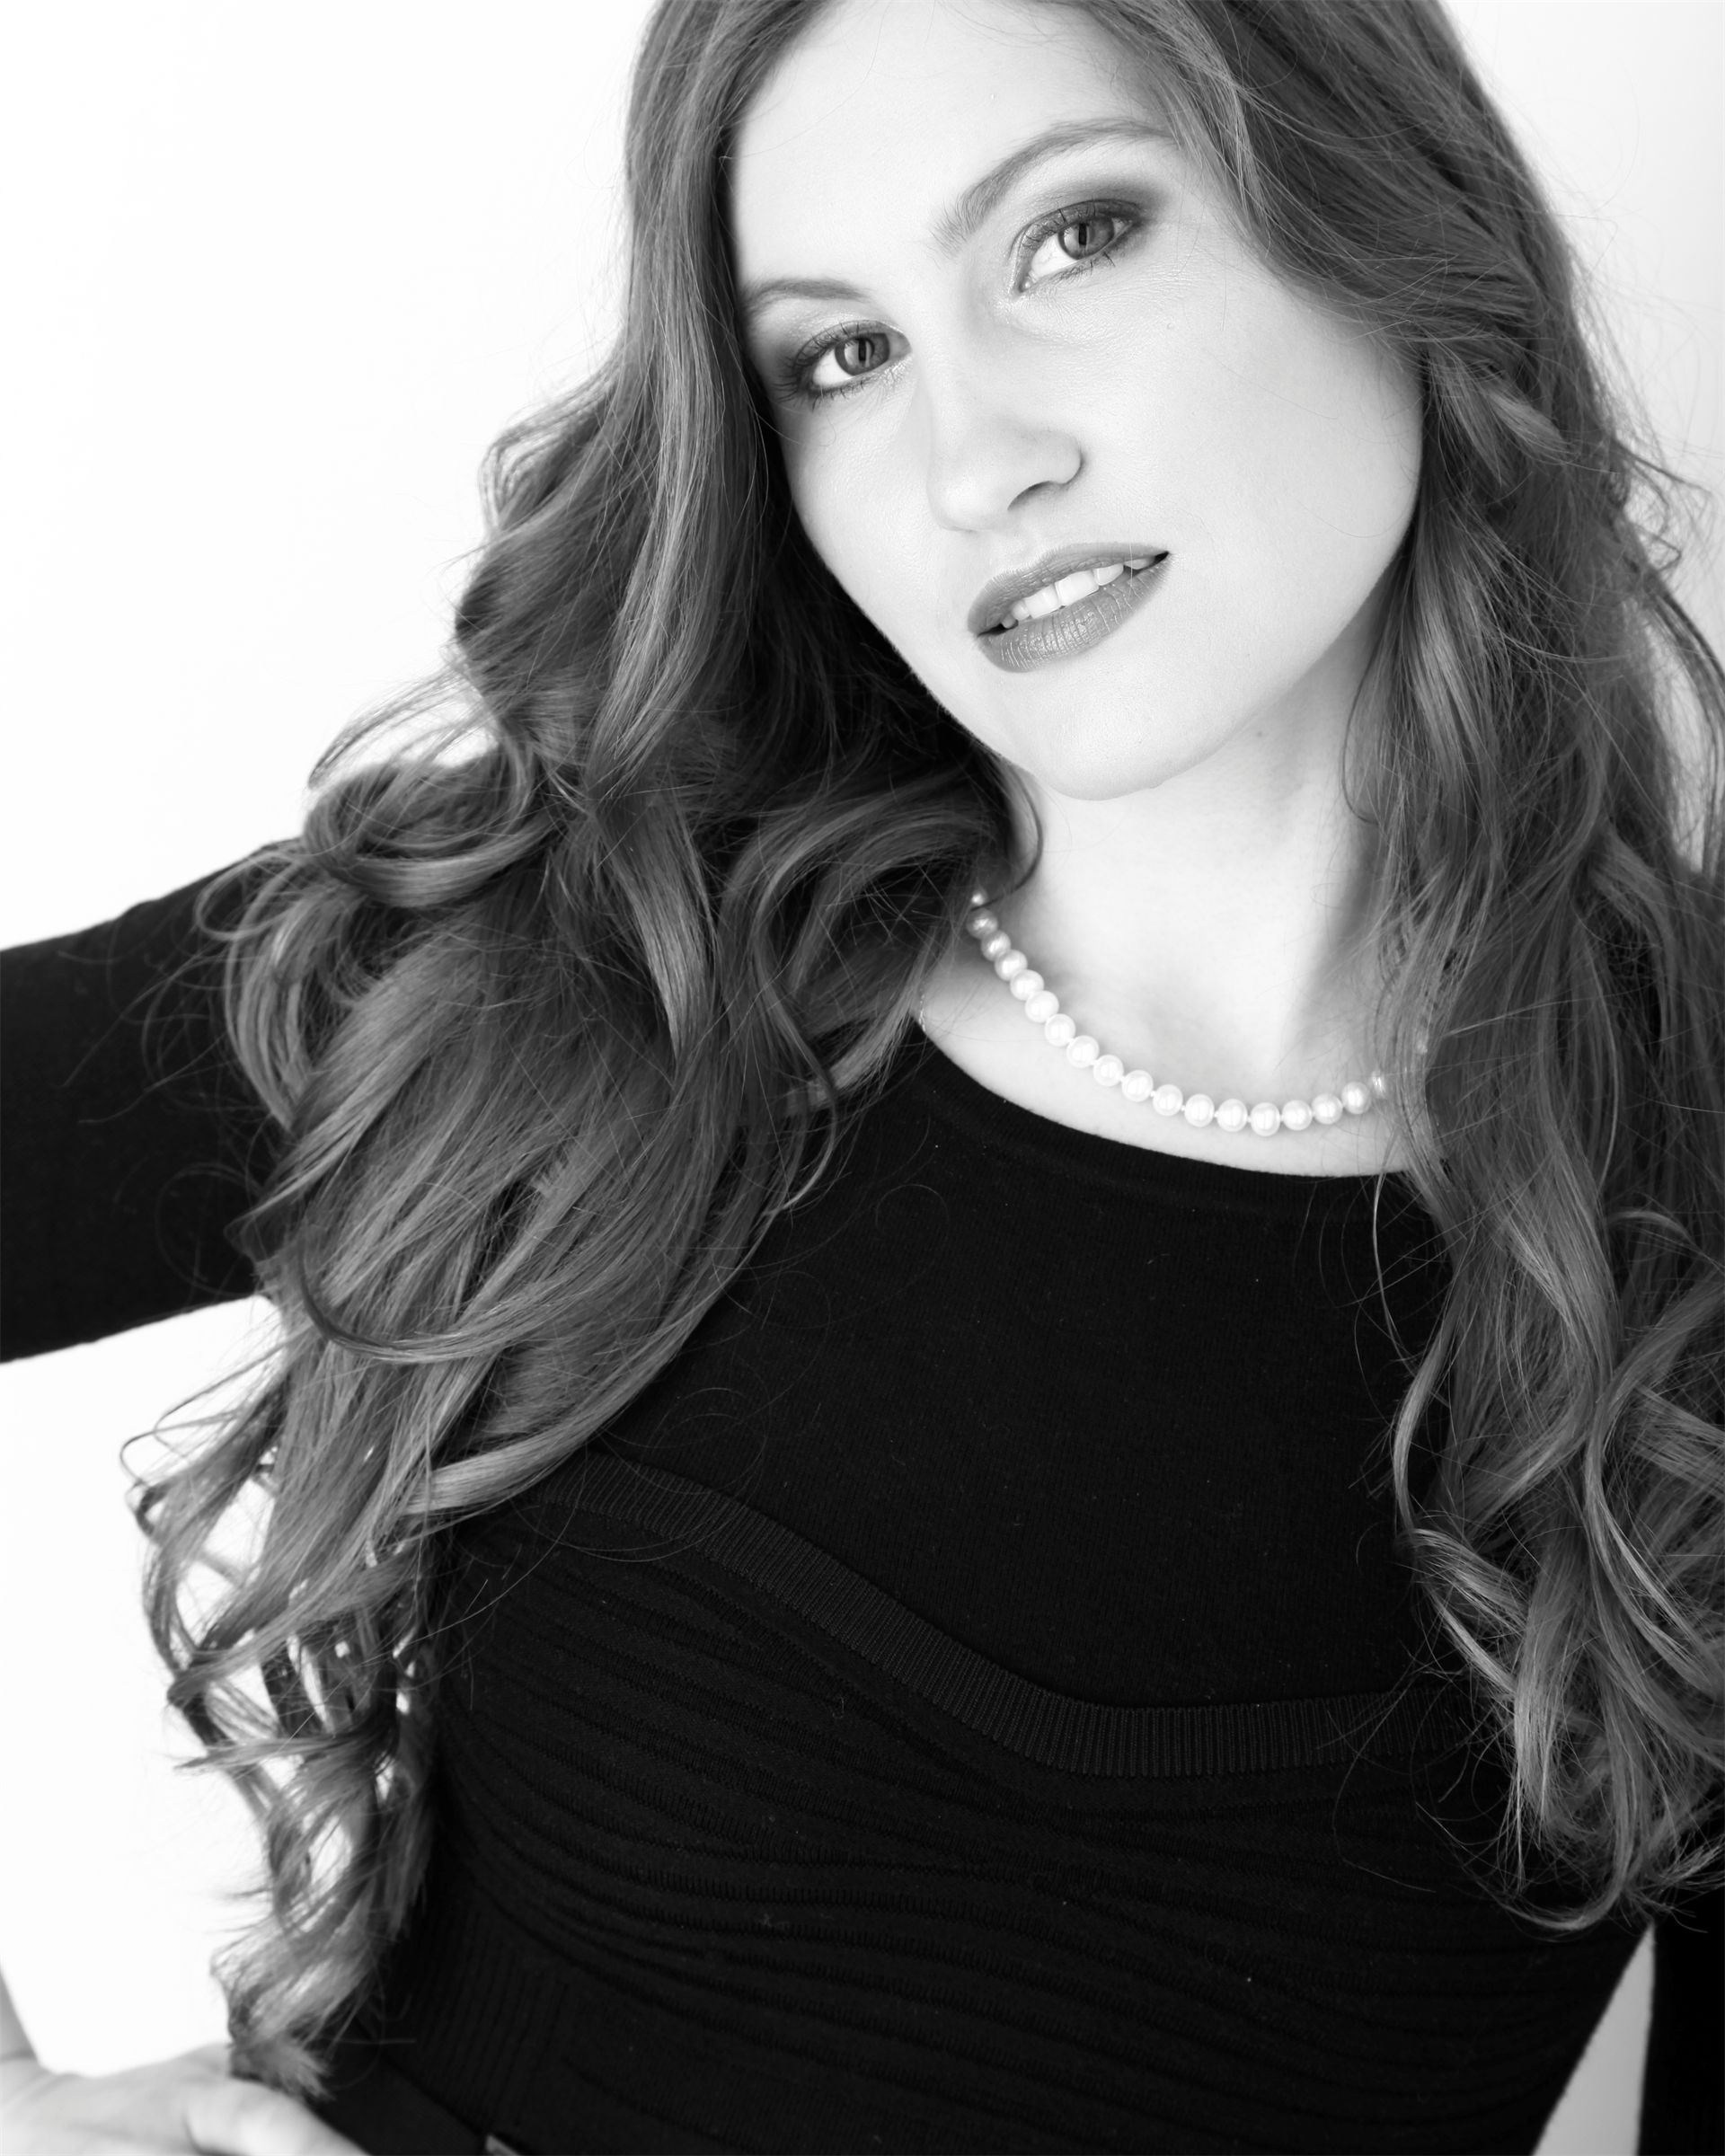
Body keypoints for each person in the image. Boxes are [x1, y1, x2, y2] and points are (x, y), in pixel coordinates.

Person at [3, 0, 1720, 2150]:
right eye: (840, 355)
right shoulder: (579, 962)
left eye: (1076, 237)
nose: (971, 462)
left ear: (1394, 219)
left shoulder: (1690, 1193)